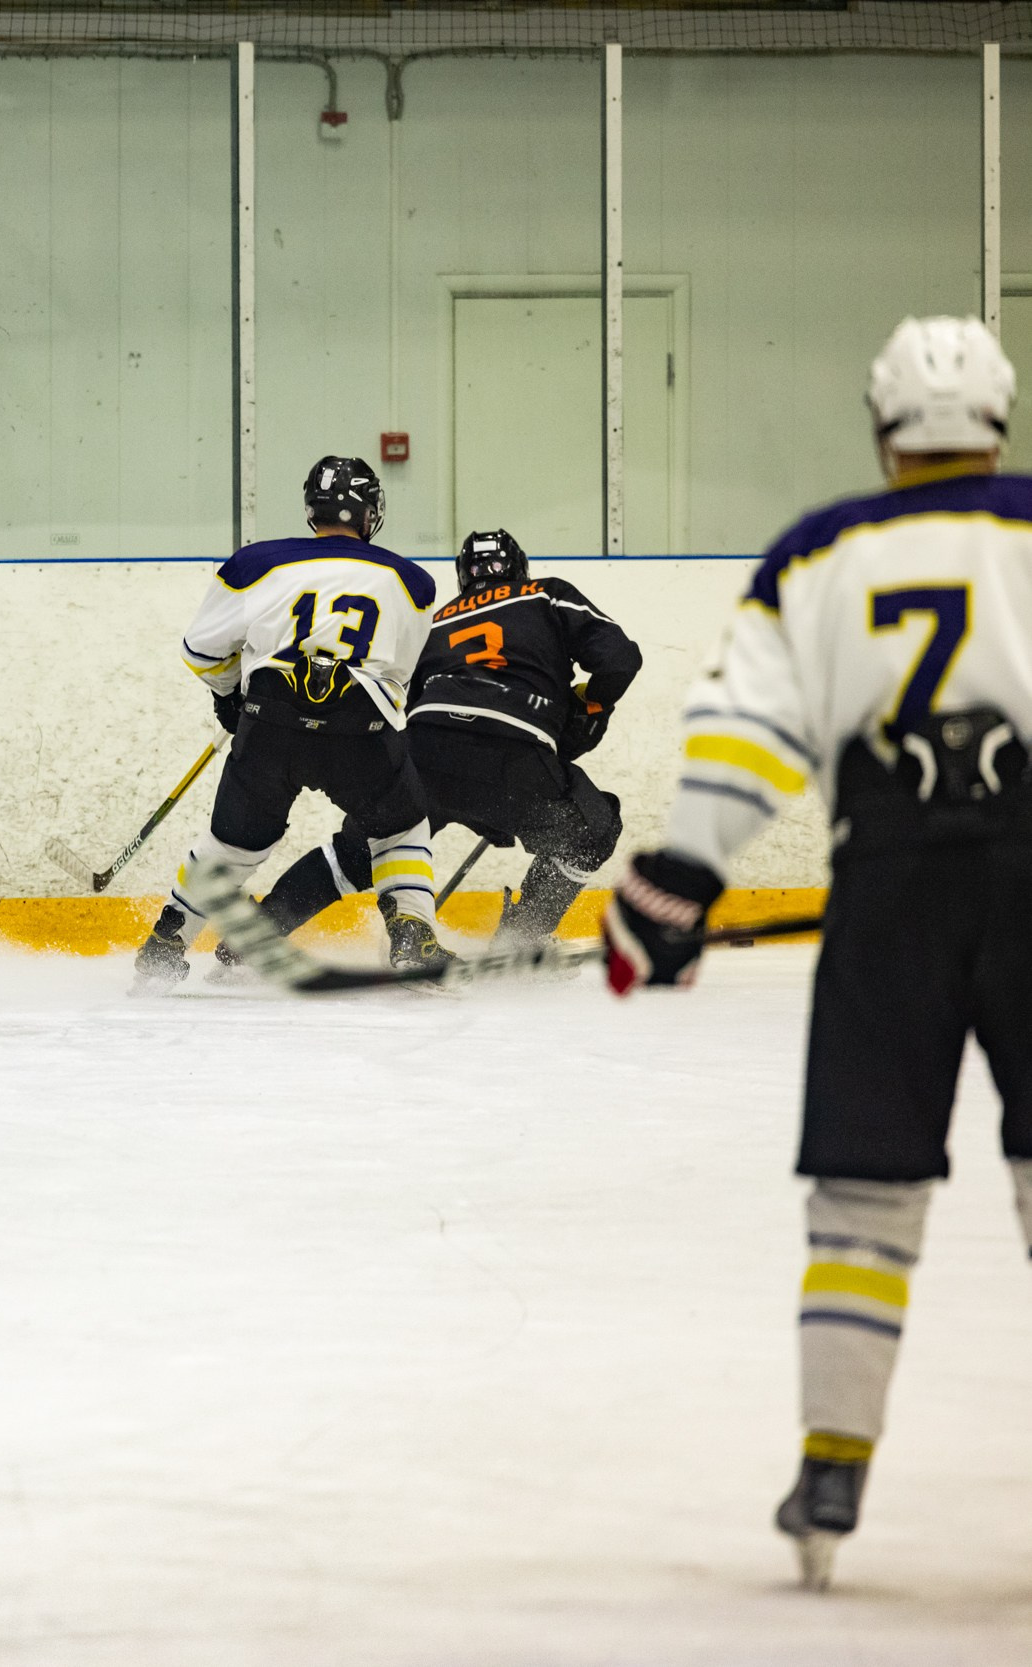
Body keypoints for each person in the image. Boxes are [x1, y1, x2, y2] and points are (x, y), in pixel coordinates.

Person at [603, 315, 1032, 1590]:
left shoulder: (817, 550)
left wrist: (683, 877)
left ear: (880, 423)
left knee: (863, 1193)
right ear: (1000, 416)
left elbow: (744, 728)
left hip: (888, 887)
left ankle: (831, 1467)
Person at [237, 527, 641, 951]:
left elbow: (394, 699)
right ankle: (521, 941)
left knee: (359, 852)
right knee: (593, 832)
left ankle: (252, 940)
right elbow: (619, 661)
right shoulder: (546, 594)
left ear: (463, 577)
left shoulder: (434, 621)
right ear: (520, 568)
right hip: (514, 757)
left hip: (422, 748)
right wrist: (590, 704)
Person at [132, 455, 446, 990]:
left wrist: (233, 694)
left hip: (269, 723)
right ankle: (412, 934)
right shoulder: (412, 581)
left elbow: (200, 652)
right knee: (399, 828)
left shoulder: (255, 563)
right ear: (371, 512)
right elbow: (399, 673)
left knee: (231, 847)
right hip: (359, 728)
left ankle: (165, 947)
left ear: (311, 510)